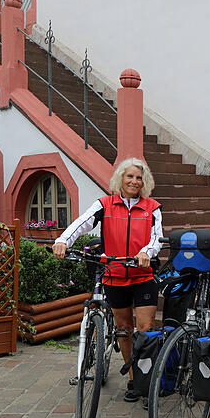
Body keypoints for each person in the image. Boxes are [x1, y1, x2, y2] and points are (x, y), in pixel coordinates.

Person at [52, 157, 163, 403]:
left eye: (139, 177)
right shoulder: (105, 204)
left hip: (143, 275)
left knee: (145, 330)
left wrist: (146, 252)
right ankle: (133, 377)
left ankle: (148, 380)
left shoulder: (152, 207)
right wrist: (63, 240)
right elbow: (81, 224)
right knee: (124, 329)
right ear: (120, 179)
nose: (134, 181)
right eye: (130, 176)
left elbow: (157, 238)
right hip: (114, 275)